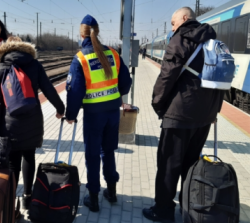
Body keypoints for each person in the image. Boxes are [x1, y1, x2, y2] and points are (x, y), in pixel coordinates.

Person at [142, 7, 222, 223]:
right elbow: (220, 80)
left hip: (180, 114)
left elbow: (166, 77)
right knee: (190, 166)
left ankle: (163, 210)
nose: (172, 26)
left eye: (173, 21)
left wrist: (158, 105)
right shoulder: (213, 42)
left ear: (185, 19)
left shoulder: (181, 39)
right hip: (204, 118)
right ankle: (189, 209)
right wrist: (214, 111)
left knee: (168, 166)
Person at [0, 36, 65, 210]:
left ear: (5, 48)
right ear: (24, 47)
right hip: (33, 118)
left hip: (9, 122)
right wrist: (61, 108)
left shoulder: (0, 67)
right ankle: (28, 198)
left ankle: (12, 201)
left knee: (13, 161)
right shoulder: (34, 64)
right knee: (29, 157)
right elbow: (48, 89)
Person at [65, 15, 132, 212]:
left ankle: (93, 197)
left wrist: (71, 114)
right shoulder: (113, 54)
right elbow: (126, 83)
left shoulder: (81, 58)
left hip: (94, 115)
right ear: (98, 30)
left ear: (81, 33)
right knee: (108, 151)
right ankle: (111, 191)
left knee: (92, 154)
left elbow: (75, 91)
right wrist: (115, 94)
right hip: (112, 113)